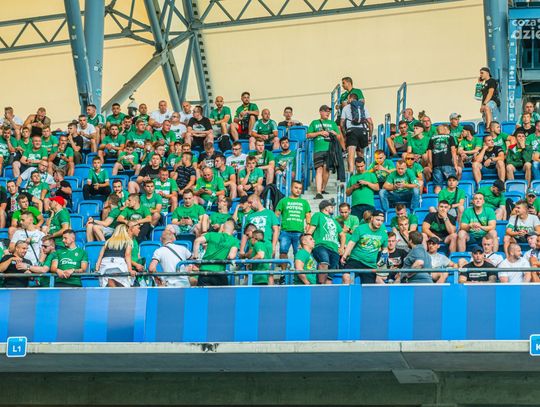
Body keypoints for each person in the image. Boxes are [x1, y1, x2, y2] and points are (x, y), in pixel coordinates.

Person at [307, 105, 344, 199]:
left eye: (329, 111)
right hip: (318, 149)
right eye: (325, 111)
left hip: (330, 149)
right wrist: (320, 133)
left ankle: (323, 188)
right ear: (320, 112)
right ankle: (318, 192)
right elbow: (308, 135)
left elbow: (339, 137)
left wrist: (334, 133)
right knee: (318, 169)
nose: (328, 113)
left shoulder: (332, 123)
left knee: (326, 169)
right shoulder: (314, 122)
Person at [341, 210, 387, 284]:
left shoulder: (384, 234)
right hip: (356, 260)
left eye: (382, 221)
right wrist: (345, 255)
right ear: (372, 218)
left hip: (370, 264)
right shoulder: (360, 228)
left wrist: (383, 260)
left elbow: (385, 249)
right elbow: (351, 243)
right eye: (377, 220)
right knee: (346, 277)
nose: (379, 223)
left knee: (368, 288)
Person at [306, 199, 345, 284]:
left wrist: (342, 248)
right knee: (324, 262)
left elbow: (342, 234)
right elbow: (311, 229)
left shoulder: (334, 221)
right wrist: (306, 241)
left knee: (330, 275)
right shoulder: (318, 215)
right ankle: (321, 286)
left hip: (334, 249)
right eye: (331, 207)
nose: (333, 208)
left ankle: (327, 290)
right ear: (326, 208)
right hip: (321, 245)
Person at [192, 220, 239, 286]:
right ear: (233, 231)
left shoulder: (211, 234)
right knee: (221, 292)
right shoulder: (235, 241)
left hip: (204, 271)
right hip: (219, 272)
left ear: (223, 228)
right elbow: (231, 256)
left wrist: (195, 257)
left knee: (203, 292)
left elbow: (197, 241)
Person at [275, 180, 311, 261]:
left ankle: (297, 269)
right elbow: (276, 215)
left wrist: (308, 227)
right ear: (291, 188)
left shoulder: (304, 202)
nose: (298, 190)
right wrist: (277, 227)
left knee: (298, 254)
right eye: (296, 188)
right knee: (283, 252)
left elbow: (308, 216)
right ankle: (283, 269)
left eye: (300, 188)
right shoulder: (283, 201)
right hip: (285, 232)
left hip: (299, 232)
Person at [340, 92, 373, 171]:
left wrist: (344, 134)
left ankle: (351, 174)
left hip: (351, 131)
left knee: (351, 155)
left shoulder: (346, 108)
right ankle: (363, 172)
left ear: (350, 99)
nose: (347, 100)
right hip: (363, 131)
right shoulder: (363, 107)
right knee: (361, 154)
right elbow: (370, 123)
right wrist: (370, 135)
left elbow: (341, 123)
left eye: (348, 99)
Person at [427, 124, 458, 193]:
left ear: (437, 131)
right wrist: (455, 164)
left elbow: (429, 153)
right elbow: (453, 151)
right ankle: (452, 198)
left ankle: (437, 199)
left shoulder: (432, 138)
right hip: (448, 164)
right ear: (444, 130)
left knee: (437, 185)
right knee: (452, 184)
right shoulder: (450, 137)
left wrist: (430, 165)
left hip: (436, 165)